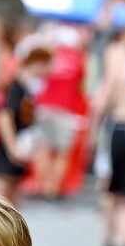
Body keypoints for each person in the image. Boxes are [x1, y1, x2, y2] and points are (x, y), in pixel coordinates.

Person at [89, 2, 125, 246]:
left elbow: (105, 95)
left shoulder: (114, 53)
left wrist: (94, 130)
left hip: (117, 127)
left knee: (111, 192)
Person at [0, 47, 52, 206]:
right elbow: (3, 116)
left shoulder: (28, 88)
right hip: (10, 146)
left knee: (12, 194)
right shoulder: (16, 87)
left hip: (20, 144)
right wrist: (12, 147)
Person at [34, 25, 87, 200]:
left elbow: (38, 77)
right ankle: (54, 189)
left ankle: (44, 187)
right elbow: (81, 85)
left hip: (44, 106)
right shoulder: (78, 58)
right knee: (62, 152)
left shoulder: (50, 55)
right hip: (65, 109)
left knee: (45, 149)